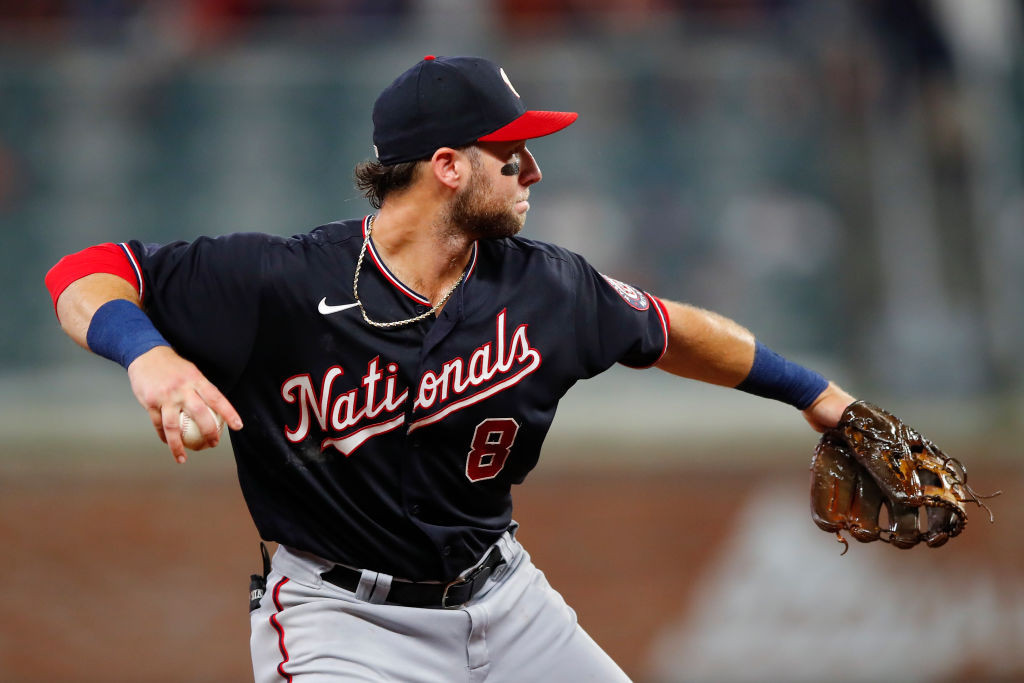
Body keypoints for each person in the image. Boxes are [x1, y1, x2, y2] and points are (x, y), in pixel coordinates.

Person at [45, 55, 854, 682]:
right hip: (344, 621)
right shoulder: (281, 283)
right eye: (512, 152)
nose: (532, 170)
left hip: (505, 598)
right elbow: (84, 272)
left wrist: (819, 396)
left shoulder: (544, 283)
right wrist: (147, 354)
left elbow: (671, 329)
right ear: (448, 166)